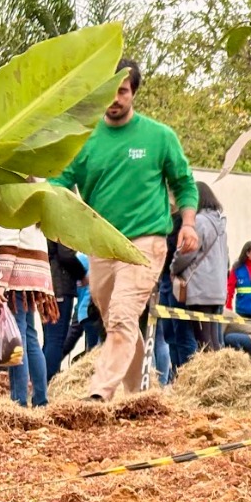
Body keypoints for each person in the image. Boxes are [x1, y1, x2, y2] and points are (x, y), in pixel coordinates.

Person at [51, 58, 199, 402]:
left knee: (121, 313)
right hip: (101, 243)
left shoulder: (159, 137)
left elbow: (184, 184)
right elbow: (58, 183)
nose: (115, 99)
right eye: (109, 92)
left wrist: (189, 224)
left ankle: (99, 394)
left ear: (133, 92)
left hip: (146, 241)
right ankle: (137, 397)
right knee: (116, 319)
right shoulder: (82, 140)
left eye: (122, 91)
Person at [0, 221, 55, 408]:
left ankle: (19, 401)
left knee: (18, 338)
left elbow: (9, 239)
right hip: (32, 273)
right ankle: (40, 399)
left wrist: (0, 283)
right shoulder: (33, 198)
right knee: (29, 336)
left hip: (15, 275)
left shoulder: (10, 199)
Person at [171, 182, 228, 356]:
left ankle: (212, 378)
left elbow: (187, 252)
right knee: (214, 339)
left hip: (201, 287)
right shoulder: (220, 224)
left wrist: (174, 266)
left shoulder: (200, 222)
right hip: (217, 289)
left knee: (203, 340)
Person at [44, 241, 87, 380]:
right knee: (56, 339)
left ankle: (41, 382)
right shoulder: (59, 227)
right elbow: (66, 255)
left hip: (47, 284)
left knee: (49, 337)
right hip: (60, 285)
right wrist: (82, 274)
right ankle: (49, 381)